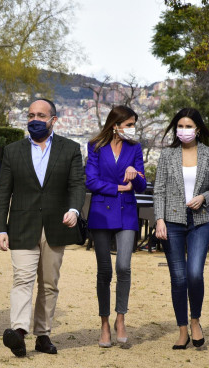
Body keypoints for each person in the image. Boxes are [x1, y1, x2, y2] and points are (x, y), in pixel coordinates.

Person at [0, 98, 86, 357]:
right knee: (22, 278)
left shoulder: (70, 149)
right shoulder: (13, 151)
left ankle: (43, 334)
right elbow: (3, 193)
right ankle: (19, 332)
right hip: (22, 226)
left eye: (40, 116)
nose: (35, 120)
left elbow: (77, 185)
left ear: (53, 120)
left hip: (56, 226)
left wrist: (74, 210)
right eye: (31, 115)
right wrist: (0, 228)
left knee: (48, 283)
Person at [154, 107, 209, 350]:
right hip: (171, 222)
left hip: (200, 221)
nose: (183, 131)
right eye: (179, 126)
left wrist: (203, 197)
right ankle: (182, 329)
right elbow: (159, 189)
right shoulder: (167, 155)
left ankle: (195, 321)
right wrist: (159, 220)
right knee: (179, 278)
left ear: (198, 129)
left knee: (195, 274)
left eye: (188, 126)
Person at [85, 105, 147, 348]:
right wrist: (119, 188)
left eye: (134, 124)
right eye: (129, 124)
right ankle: (104, 323)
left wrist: (136, 174)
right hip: (101, 212)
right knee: (104, 271)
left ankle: (121, 318)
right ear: (115, 125)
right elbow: (91, 180)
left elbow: (141, 185)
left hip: (127, 213)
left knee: (123, 266)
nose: (132, 129)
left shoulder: (135, 148)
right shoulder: (95, 147)